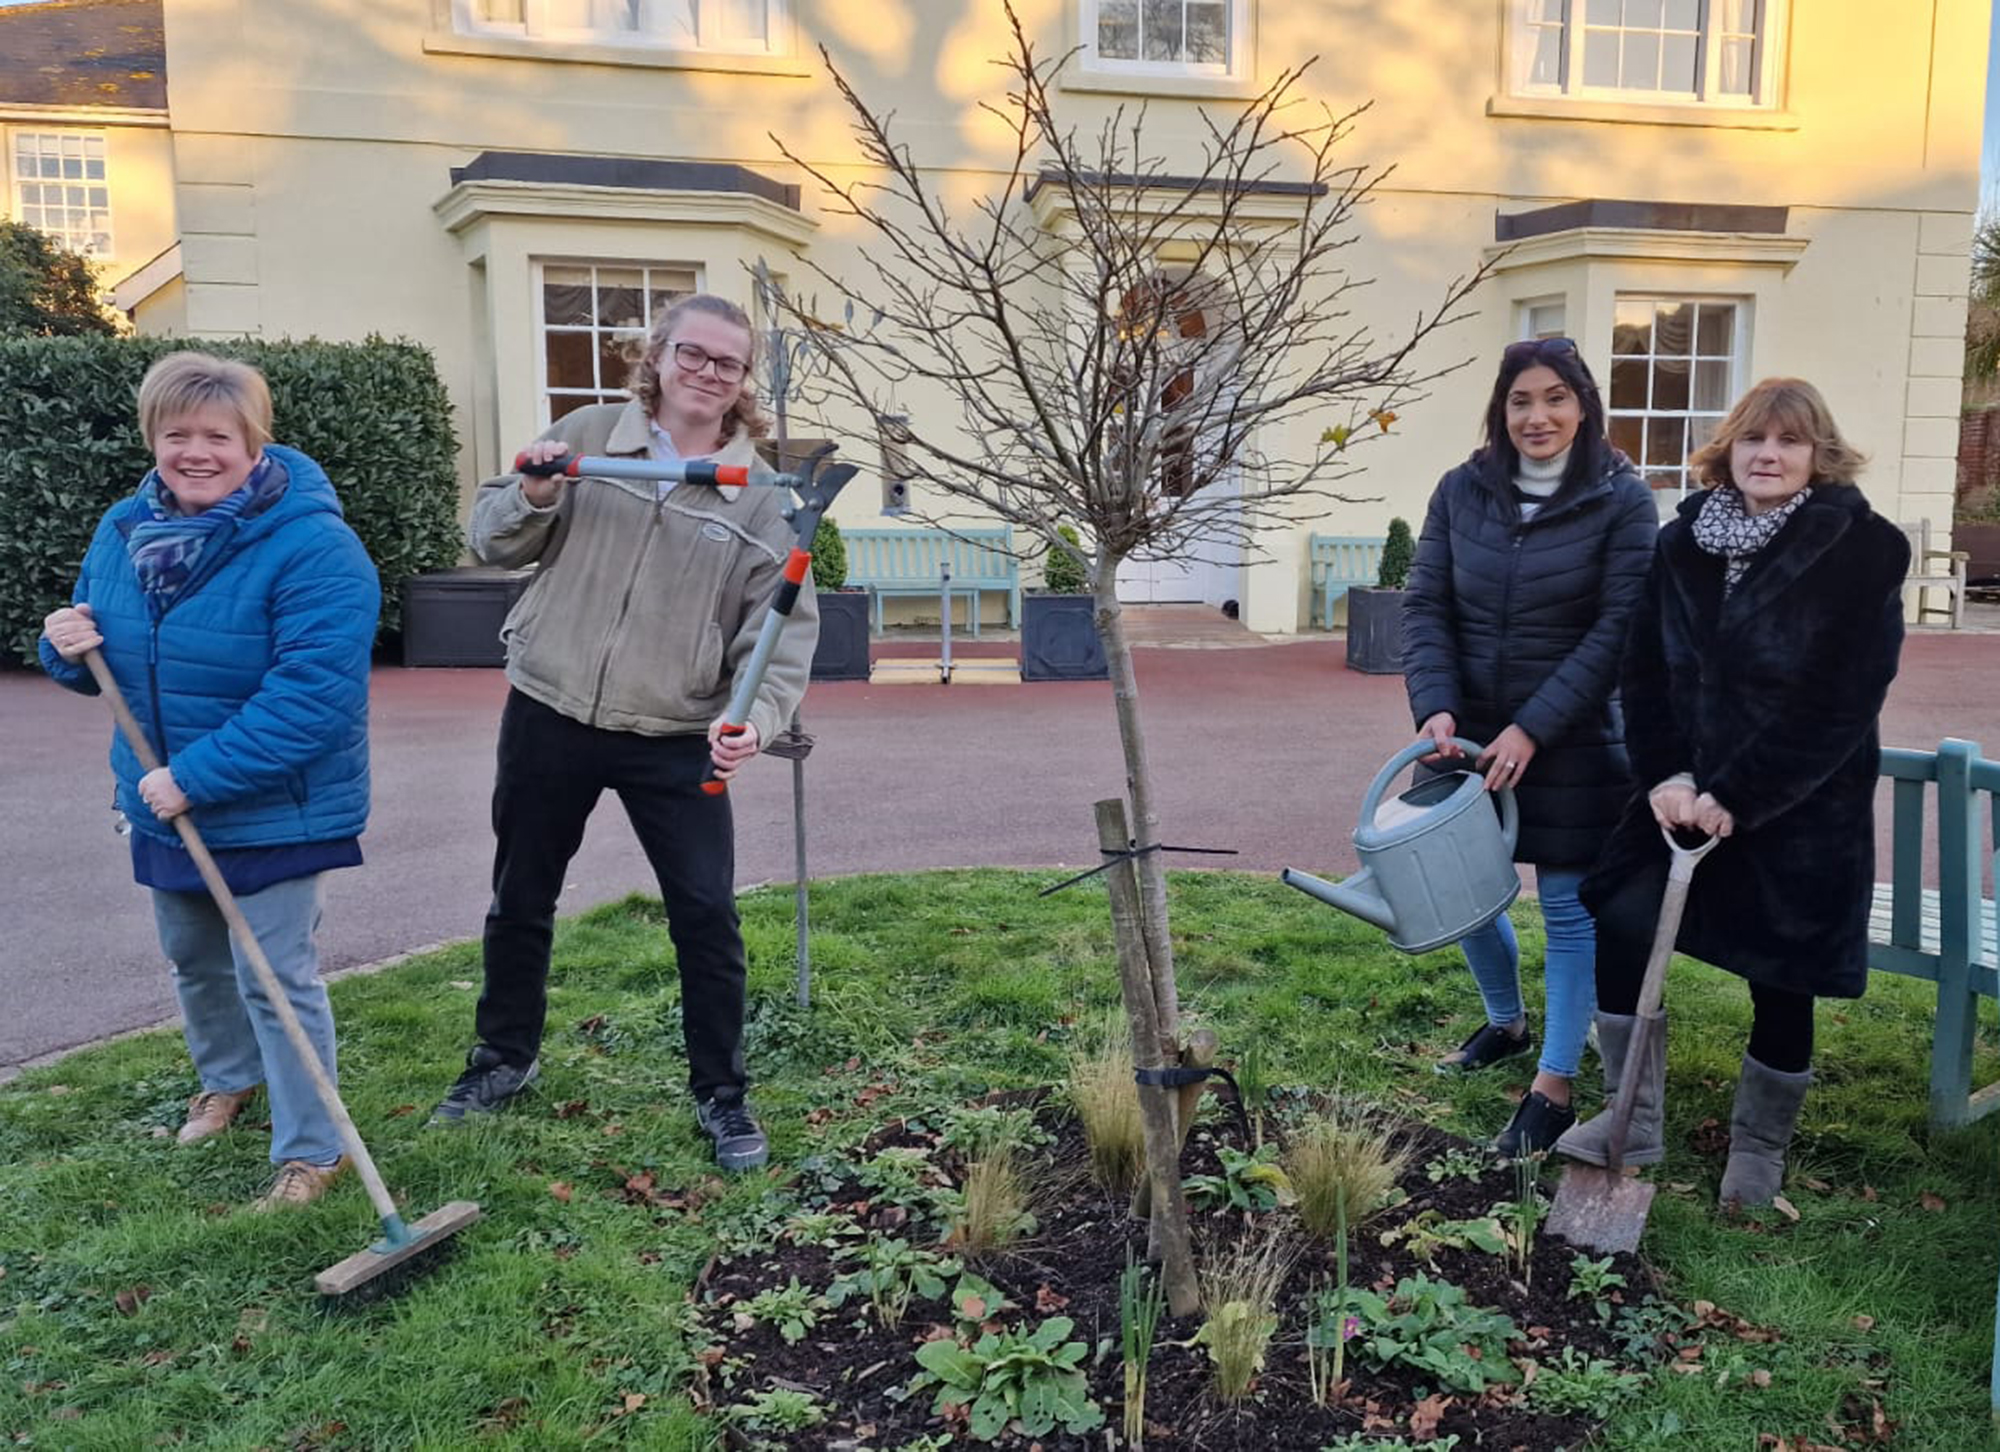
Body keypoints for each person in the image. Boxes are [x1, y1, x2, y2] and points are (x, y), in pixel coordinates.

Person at [430, 293, 817, 1173]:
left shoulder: (760, 495)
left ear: (742, 380)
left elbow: (782, 632)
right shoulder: (592, 433)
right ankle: (502, 1060)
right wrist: (533, 492)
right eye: (693, 354)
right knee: (519, 897)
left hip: (674, 730)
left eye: (727, 362)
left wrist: (751, 720)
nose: (707, 373)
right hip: (551, 705)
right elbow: (494, 540)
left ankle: (722, 1095)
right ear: (660, 353)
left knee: (707, 915)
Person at [40, 351, 379, 1210]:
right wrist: (64, 645)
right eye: (175, 433)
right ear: (153, 436)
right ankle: (227, 1082)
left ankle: (312, 1150)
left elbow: (314, 698)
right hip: (158, 799)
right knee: (194, 959)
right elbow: (99, 659)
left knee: (273, 975)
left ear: (254, 441)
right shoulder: (125, 528)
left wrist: (195, 777)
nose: (196, 451)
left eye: (217, 435)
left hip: (272, 806)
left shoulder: (315, 547)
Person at [1557, 378, 1907, 1206]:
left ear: (1818, 456)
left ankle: (1757, 1151)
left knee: (1782, 970)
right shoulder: (1681, 547)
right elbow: (1642, 671)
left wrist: (1739, 795)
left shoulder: (1864, 549)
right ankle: (1630, 1119)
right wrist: (1669, 776)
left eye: (1788, 442)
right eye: (1754, 439)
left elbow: (1842, 701)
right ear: (1729, 450)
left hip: (1800, 806)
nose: (1768, 455)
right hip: (1678, 798)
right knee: (1620, 920)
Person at [1401, 337, 1659, 1156]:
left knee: (1567, 909)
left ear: (1583, 404)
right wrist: (1435, 707)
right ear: (1501, 409)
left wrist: (1534, 727)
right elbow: (1426, 607)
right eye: (1520, 400)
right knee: (1460, 891)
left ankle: (1553, 1081)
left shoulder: (1623, 500)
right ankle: (1506, 1022)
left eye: (1554, 397)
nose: (1537, 416)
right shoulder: (1461, 490)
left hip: (1575, 738)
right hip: (1465, 731)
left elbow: (1620, 629)